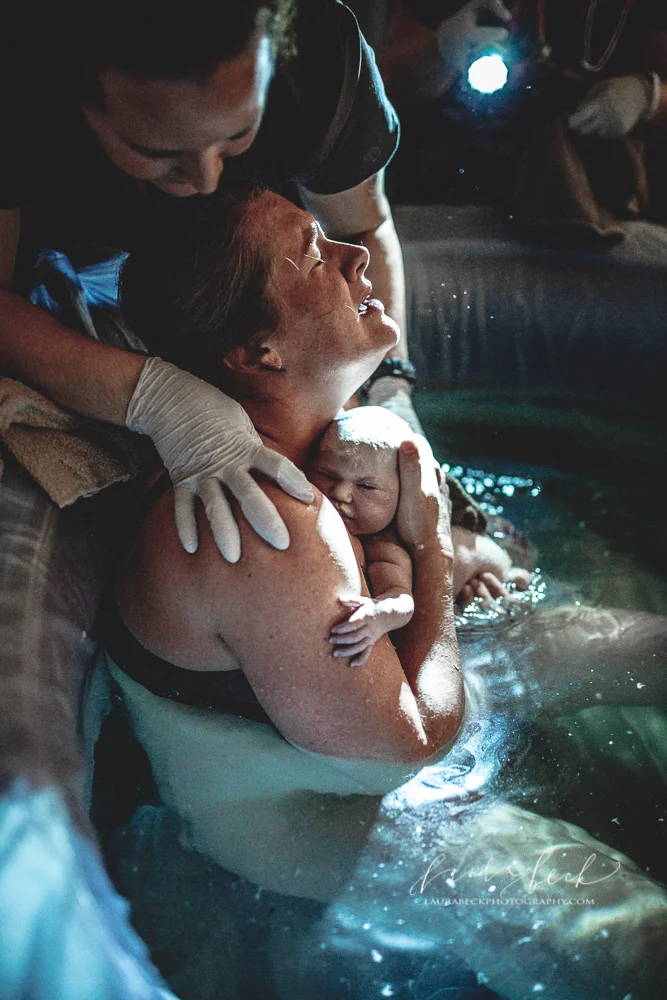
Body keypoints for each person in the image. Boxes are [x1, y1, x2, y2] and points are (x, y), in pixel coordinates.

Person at [99, 184, 667, 999]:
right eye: (312, 255)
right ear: (260, 353)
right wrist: (429, 541)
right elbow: (413, 742)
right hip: (312, 811)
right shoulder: (266, 525)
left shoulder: (319, 432)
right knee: (627, 929)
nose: (353, 254)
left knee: (644, 647)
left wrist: (455, 550)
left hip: (375, 702)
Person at [0, 0, 415, 560]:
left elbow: (360, 227)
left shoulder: (321, 65)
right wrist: (159, 398)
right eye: (158, 151)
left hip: (272, 269)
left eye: (238, 135)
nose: (206, 178)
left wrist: (391, 393)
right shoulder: (14, 78)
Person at [308, 406, 531, 665]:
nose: (340, 493)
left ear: (402, 495)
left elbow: (402, 600)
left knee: (519, 583)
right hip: (479, 548)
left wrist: (379, 613)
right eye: (325, 474)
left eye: (367, 486)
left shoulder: (384, 545)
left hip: (500, 562)